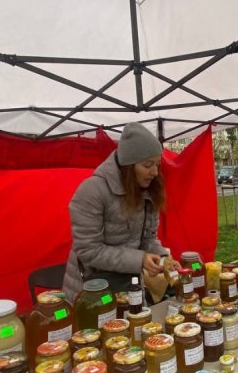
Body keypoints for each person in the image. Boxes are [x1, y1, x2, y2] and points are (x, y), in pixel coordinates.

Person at [62, 122, 168, 304]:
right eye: (147, 165)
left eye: (157, 164)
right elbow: (89, 250)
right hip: (90, 294)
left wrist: (163, 258)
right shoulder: (92, 191)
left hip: (127, 287)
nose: (155, 172)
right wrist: (140, 259)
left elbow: (148, 238)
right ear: (128, 166)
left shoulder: (147, 190)